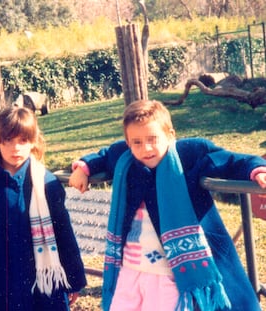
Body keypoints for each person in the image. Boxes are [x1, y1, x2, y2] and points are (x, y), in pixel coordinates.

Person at [69, 99, 266, 311]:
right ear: (127, 142)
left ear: (170, 135)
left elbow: (229, 160)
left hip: (171, 270)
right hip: (132, 266)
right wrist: (84, 168)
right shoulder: (124, 158)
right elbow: (104, 154)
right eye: (136, 142)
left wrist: (257, 170)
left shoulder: (188, 154)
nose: (145, 148)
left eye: (153, 139)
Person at [0, 106, 87, 311]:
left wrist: (73, 278)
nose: (15, 148)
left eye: (22, 140)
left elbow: (63, 232)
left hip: (42, 282)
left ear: (33, 141)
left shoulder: (46, 183)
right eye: (8, 140)